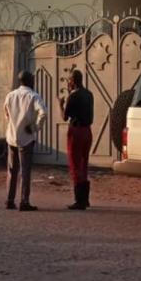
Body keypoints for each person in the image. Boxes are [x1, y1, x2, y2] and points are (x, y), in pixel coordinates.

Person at [4, 70, 47, 211]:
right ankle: (24, 201)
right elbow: (43, 112)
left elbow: (6, 113)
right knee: (25, 170)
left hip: (11, 136)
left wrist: (12, 123)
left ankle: (9, 200)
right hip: (26, 137)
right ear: (30, 81)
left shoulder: (10, 96)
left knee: (12, 170)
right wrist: (35, 127)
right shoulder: (33, 96)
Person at [59, 69, 94, 210]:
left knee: (75, 164)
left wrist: (60, 104)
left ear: (73, 81)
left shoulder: (73, 96)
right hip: (87, 131)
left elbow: (64, 117)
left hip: (76, 131)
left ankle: (79, 200)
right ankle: (85, 199)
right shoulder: (89, 94)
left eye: (69, 80)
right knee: (84, 163)